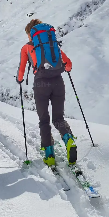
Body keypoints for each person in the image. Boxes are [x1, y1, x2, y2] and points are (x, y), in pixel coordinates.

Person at [16, 19, 76, 166]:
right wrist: (65, 69)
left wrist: (19, 80)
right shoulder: (51, 45)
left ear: (30, 34)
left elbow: (22, 71)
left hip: (41, 84)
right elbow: (68, 64)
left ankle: (49, 155)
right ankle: (68, 139)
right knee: (58, 118)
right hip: (58, 82)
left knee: (44, 120)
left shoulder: (26, 48)